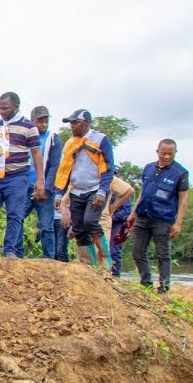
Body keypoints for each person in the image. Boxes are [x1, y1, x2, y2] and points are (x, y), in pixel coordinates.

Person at [0, 92, 46, 260]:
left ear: (16, 106)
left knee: (14, 214)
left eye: (5, 108)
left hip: (17, 175)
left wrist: (39, 180)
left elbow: (36, 153)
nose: (1, 112)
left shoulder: (29, 127)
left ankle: (10, 250)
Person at [54, 109, 115, 269]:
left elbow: (108, 167)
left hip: (95, 189)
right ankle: (88, 265)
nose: (72, 126)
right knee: (79, 228)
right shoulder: (70, 143)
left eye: (76, 123)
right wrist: (59, 193)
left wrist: (102, 190)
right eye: (71, 123)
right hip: (77, 190)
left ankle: (106, 261)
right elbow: (64, 169)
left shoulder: (100, 139)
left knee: (90, 222)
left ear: (87, 123)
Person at [128, 139, 189, 295]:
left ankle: (163, 288)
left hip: (163, 218)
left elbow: (183, 199)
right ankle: (146, 284)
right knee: (137, 252)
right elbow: (143, 192)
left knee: (163, 254)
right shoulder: (148, 168)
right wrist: (133, 212)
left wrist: (178, 223)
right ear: (157, 152)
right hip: (143, 215)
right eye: (163, 153)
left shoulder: (180, 173)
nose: (167, 157)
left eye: (170, 154)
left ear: (175, 153)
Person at [23, 105, 62, 259]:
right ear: (32, 120)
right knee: (16, 219)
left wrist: (46, 189)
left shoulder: (53, 139)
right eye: (40, 121)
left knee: (46, 226)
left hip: (45, 189)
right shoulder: (24, 137)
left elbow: (54, 166)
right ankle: (15, 254)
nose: (44, 124)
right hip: (26, 187)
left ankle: (49, 259)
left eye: (46, 121)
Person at [107, 168, 137, 276]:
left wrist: (111, 217)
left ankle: (115, 275)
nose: (114, 176)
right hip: (105, 223)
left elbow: (126, 211)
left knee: (114, 249)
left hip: (118, 224)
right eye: (112, 174)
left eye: (115, 174)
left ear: (119, 176)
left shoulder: (123, 191)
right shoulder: (104, 188)